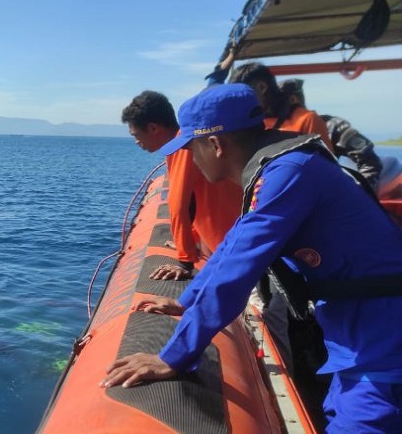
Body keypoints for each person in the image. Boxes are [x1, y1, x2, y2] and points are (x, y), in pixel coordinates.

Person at [101, 84, 402, 434]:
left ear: (215, 145)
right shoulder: (281, 166)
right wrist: (187, 300)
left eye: (191, 148)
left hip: (382, 339)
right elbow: (234, 244)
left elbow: (238, 269)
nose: (190, 159)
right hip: (355, 336)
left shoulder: (290, 173)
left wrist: (172, 357)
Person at [121, 91, 243, 280]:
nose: (137, 142)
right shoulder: (189, 142)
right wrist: (191, 239)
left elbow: (178, 205)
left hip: (229, 249)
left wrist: (184, 261)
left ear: (153, 128)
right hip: (233, 239)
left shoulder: (183, 148)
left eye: (136, 135)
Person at [279, 78, 384, 190]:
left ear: (293, 99)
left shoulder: (332, 126)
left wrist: (355, 194)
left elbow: (370, 162)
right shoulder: (271, 131)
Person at [229, 62, 335, 153]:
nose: (239, 103)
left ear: (262, 87)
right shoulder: (247, 124)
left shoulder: (307, 120)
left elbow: (327, 165)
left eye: (243, 96)